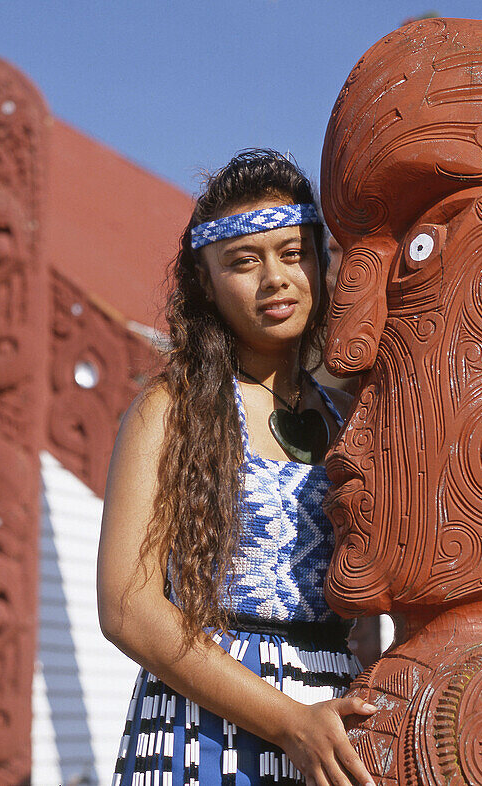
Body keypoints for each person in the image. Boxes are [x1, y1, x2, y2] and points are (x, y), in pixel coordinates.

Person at [97, 149, 377, 786]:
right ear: (206, 281)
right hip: (201, 731)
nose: (275, 278)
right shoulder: (170, 410)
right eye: (243, 262)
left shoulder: (354, 416)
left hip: (335, 734)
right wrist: (287, 722)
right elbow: (126, 608)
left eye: (292, 252)